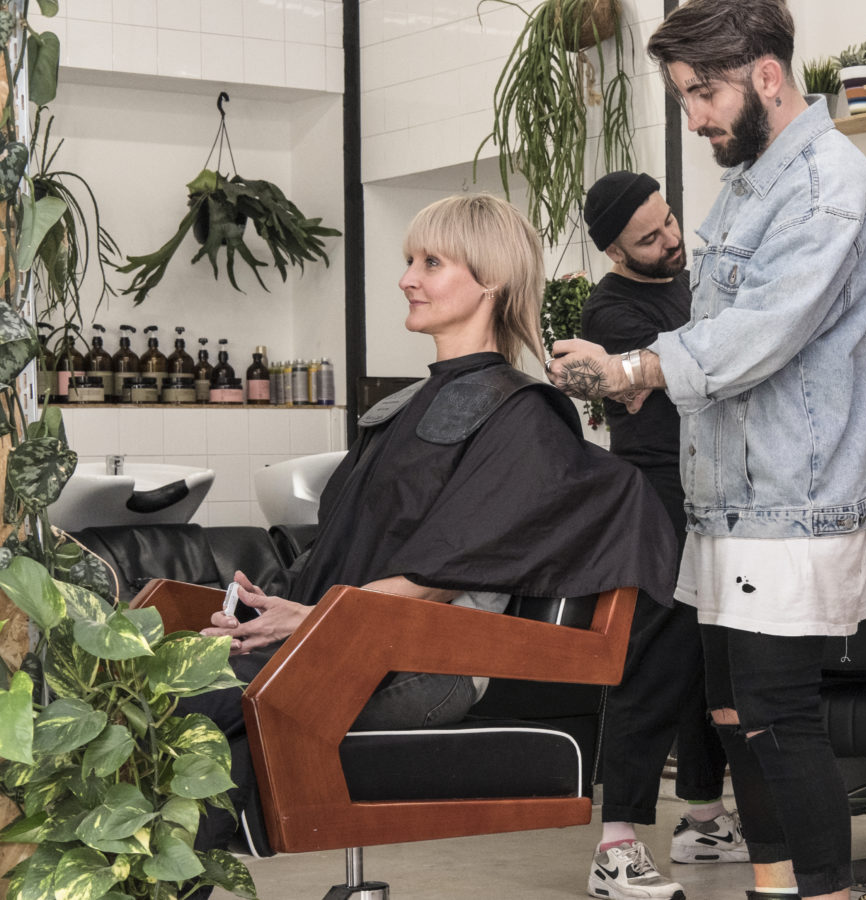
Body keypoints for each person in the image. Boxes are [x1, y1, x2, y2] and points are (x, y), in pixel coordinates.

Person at [184, 194, 679, 886]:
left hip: (424, 664)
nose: (406, 278)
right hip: (350, 640)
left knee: (178, 708)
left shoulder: (523, 416)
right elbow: (355, 546)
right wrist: (273, 608)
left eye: (431, 262)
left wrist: (315, 622)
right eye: (409, 260)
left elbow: (440, 571)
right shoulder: (398, 410)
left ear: (491, 280)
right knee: (158, 698)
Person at [547, 1, 866, 897]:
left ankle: (824, 891)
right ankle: (775, 886)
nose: (695, 117)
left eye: (704, 94)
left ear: (765, 78)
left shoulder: (826, 184)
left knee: (779, 716)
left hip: (794, 494)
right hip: (729, 496)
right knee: (740, 718)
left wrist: (633, 368)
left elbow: (759, 334)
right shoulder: (751, 180)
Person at [579, 170, 746, 900]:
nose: (671, 238)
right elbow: (696, 372)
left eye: (670, 220)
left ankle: (705, 819)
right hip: (653, 499)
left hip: (707, 489)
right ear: (615, 249)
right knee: (653, 662)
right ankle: (616, 843)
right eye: (649, 237)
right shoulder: (610, 312)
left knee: (704, 659)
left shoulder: (687, 283)